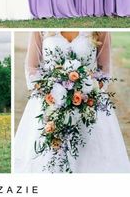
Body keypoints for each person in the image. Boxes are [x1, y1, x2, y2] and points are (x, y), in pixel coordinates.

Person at [14, 31, 130, 173]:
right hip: (49, 101)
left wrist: (84, 93)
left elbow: (104, 72)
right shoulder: (40, 30)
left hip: (88, 102)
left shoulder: (100, 31)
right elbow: (32, 68)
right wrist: (51, 93)